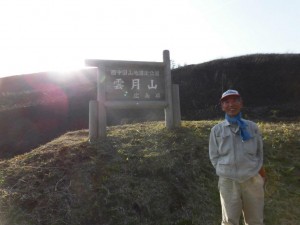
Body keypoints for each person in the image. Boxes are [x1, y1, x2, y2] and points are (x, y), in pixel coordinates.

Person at [209, 89, 266, 225]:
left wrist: (258, 174)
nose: (231, 104)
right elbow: (214, 156)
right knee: (229, 221)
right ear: (222, 106)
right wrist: (224, 170)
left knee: (255, 220)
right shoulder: (216, 130)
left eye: (235, 100)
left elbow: (259, 153)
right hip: (228, 181)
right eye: (227, 102)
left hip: (252, 179)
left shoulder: (252, 127)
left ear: (241, 103)